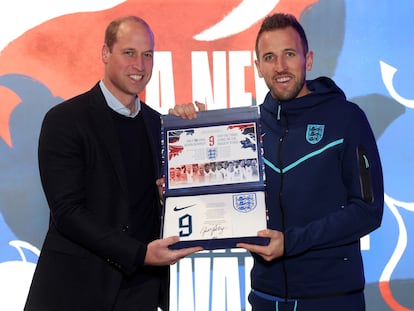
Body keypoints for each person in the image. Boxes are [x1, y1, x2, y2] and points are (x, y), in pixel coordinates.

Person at [173, 12, 384, 311]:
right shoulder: (246, 129)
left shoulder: (347, 119)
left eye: (289, 54)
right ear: (258, 67)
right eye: (270, 57)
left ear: (307, 60)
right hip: (265, 297)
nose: (281, 67)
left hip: (331, 299)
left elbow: (368, 211)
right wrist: (189, 148)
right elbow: (219, 205)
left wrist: (291, 242)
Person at [24, 15, 203, 311]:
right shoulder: (65, 120)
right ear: (106, 54)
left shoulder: (159, 125)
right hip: (76, 290)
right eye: (129, 53)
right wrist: (139, 254)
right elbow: (67, 212)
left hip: (141, 291)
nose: (140, 65)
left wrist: (197, 131)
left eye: (147, 55)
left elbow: (173, 197)